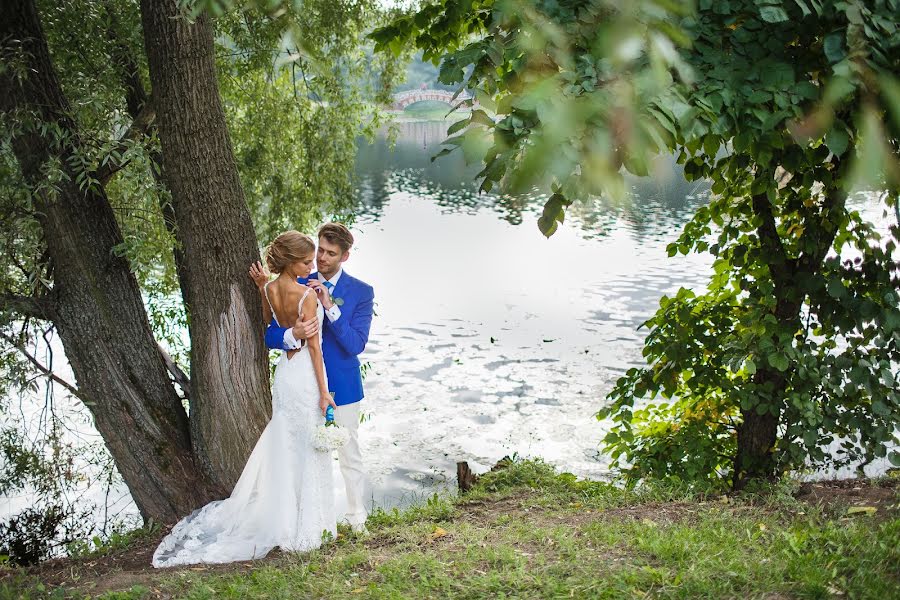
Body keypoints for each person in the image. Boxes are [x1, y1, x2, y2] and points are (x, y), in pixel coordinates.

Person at [152, 231, 337, 567]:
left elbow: (269, 330)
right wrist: (325, 393)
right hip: (305, 378)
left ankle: (286, 517)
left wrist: (267, 290)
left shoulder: (267, 288)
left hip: (283, 376)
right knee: (306, 445)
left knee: (287, 444)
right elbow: (315, 350)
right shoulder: (306, 296)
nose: (312, 267)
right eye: (306, 261)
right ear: (290, 260)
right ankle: (308, 524)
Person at [249, 222, 374, 533]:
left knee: (348, 452)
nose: (321, 259)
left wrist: (330, 307)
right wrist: (292, 334)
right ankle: (309, 518)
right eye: (320, 251)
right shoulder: (298, 278)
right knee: (303, 453)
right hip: (303, 384)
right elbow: (271, 333)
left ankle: (356, 516)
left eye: (331, 254)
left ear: (345, 256)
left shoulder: (361, 292)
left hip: (341, 387)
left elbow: (355, 345)